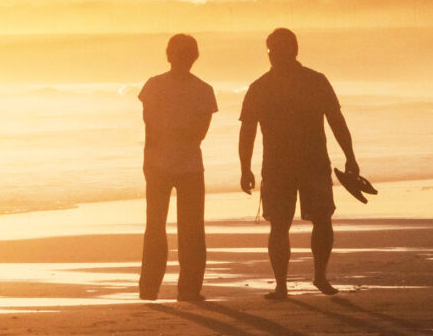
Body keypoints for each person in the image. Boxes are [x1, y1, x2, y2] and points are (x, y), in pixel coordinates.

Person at [238, 26, 360, 301]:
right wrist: (244, 167)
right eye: (271, 50)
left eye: (280, 49)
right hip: (279, 166)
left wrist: (350, 156)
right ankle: (282, 284)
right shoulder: (260, 87)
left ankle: (319, 276)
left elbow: (336, 121)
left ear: (294, 50)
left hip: (312, 162)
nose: (275, 55)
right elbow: (247, 131)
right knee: (280, 224)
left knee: (321, 219)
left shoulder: (314, 81)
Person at [139, 33, 218, 301]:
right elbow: (192, 131)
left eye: (185, 54)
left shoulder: (199, 89)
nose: (182, 58)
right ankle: (177, 289)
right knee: (180, 229)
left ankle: (162, 289)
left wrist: (152, 156)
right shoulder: (159, 86)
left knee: (174, 229)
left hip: (181, 166)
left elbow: (195, 133)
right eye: (180, 53)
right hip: (175, 166)